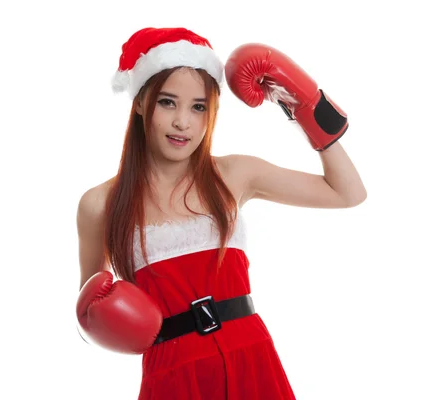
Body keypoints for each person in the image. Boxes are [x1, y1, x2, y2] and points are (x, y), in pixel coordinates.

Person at [76, 27, 367, 400]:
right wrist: (109, 322)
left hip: (253, 360)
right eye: (167, 102)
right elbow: (91, 313)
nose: (183, 121)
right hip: (172, 375)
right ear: (139, 102)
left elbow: (348, 192)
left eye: (198, 107)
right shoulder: (100, 203)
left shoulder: (233, 174)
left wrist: (305, 106)